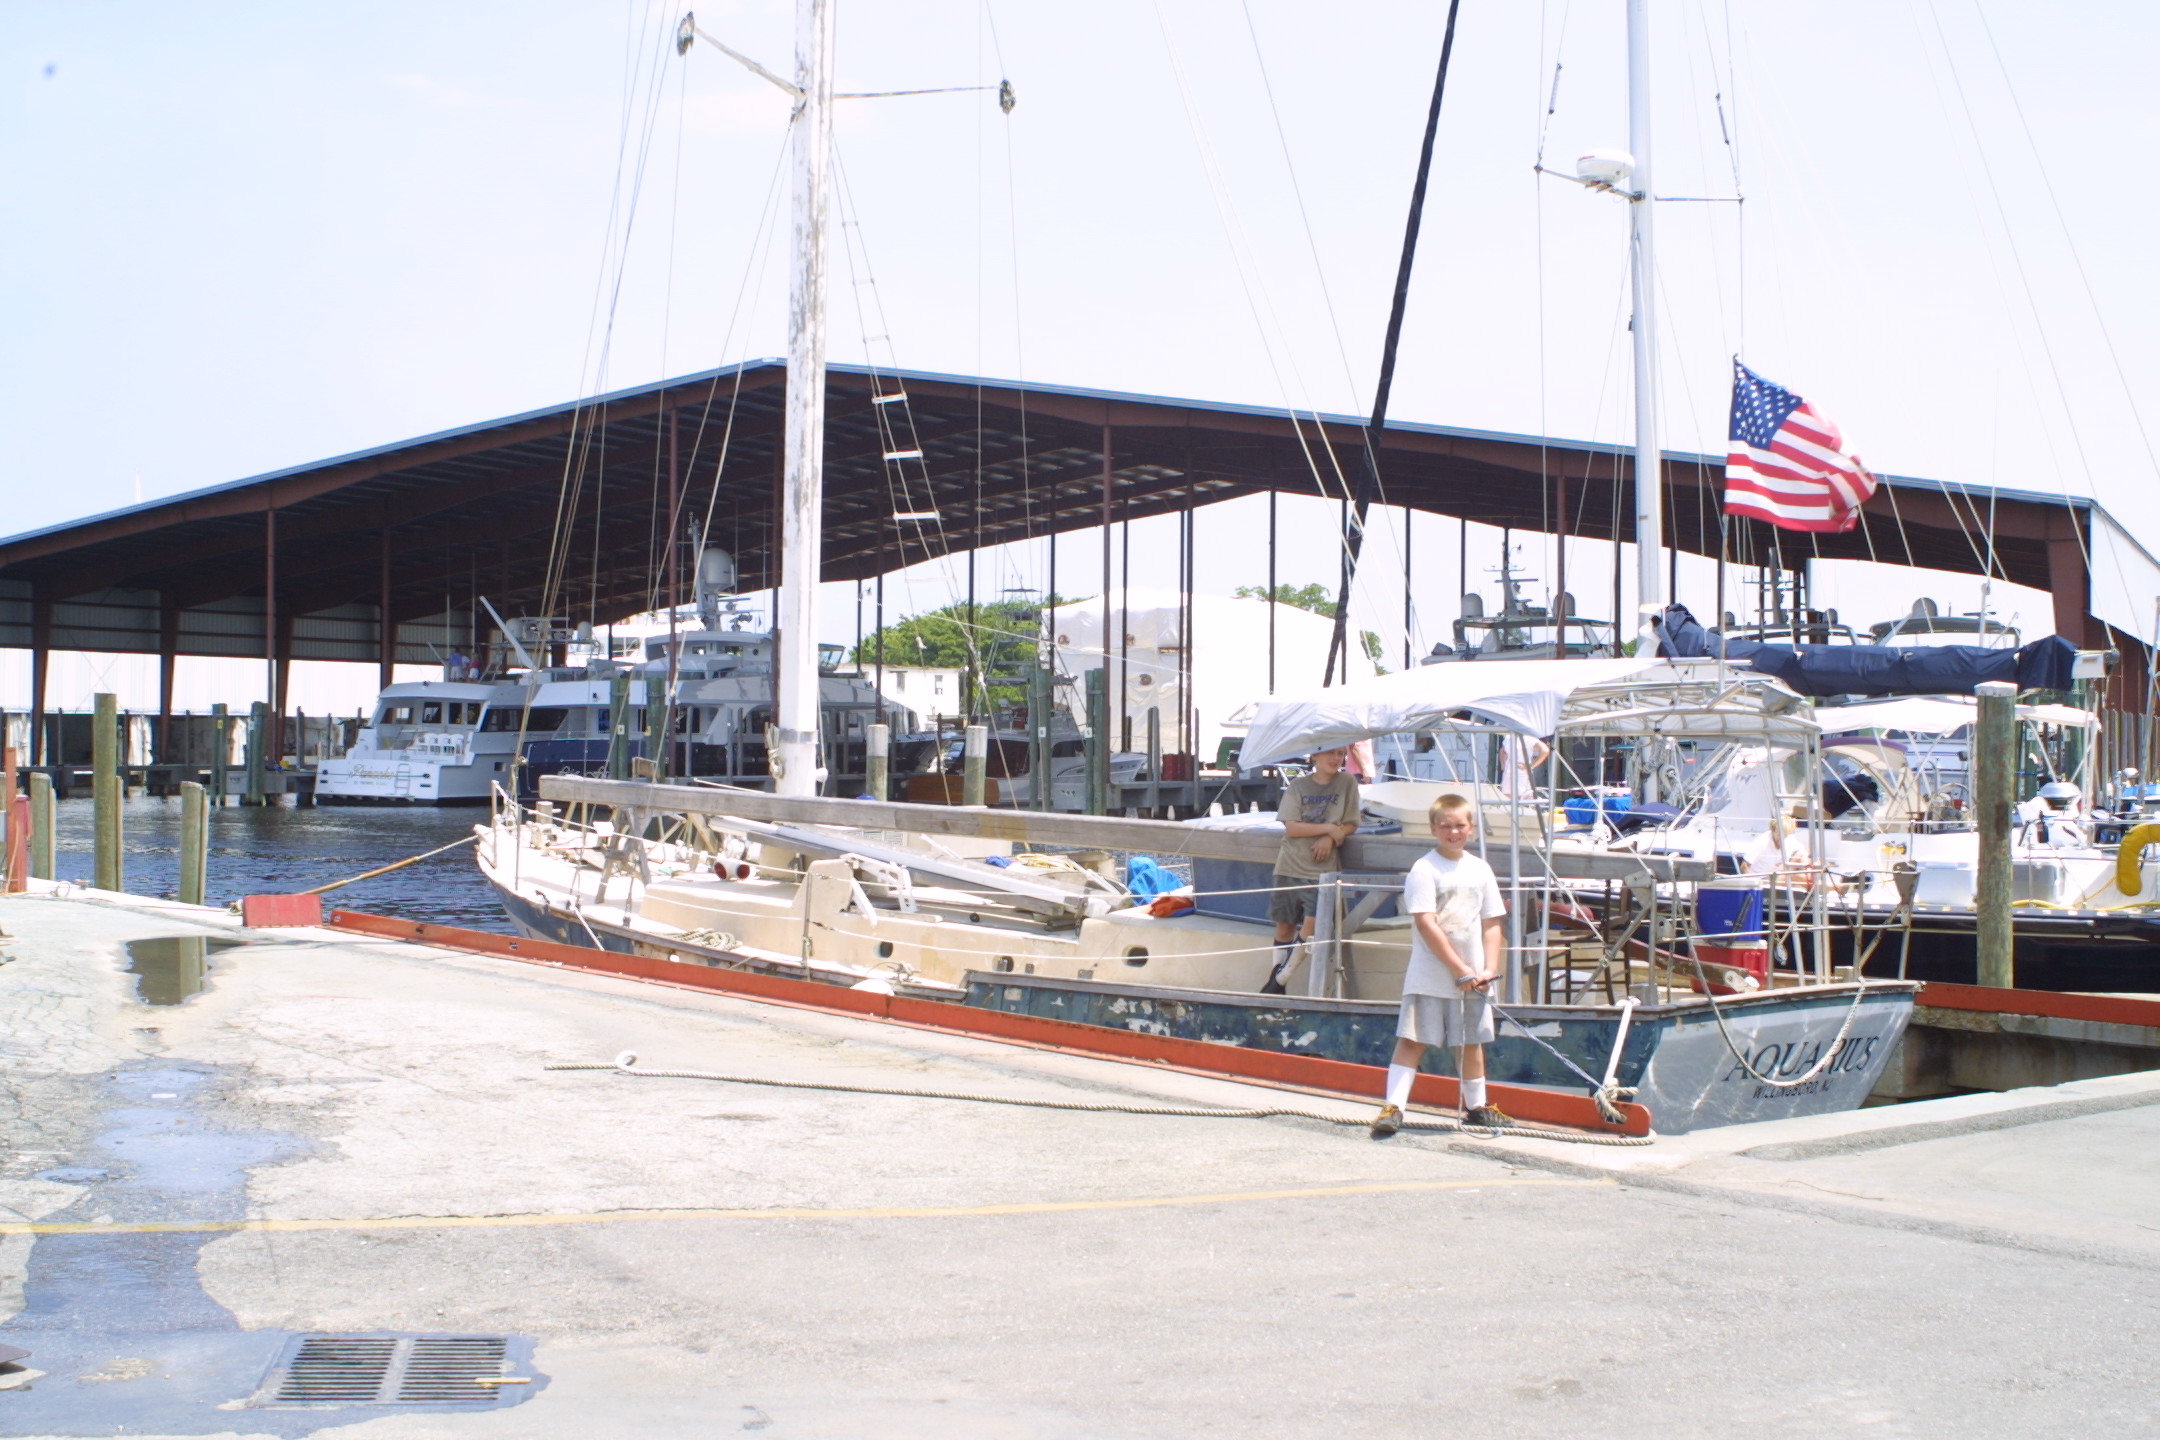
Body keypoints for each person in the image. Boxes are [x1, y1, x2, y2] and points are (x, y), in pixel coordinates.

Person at [1371, 792, 1510, 1136]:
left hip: (1474, 976)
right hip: (1431, 973)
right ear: (1433, 829)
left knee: (1471, 1042)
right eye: (1446, 826)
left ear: (1471, 827)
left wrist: (1488, 968)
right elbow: (1426, 923)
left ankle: (1477, 1107)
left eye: (1460, 825)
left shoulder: (1480, 869)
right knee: (1413, 1038)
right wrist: (1458, 969)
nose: (1453, 832)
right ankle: (1393, 1107)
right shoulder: (1424, 869)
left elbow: (1492, 923)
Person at [1263, 746, 1361, 995]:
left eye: (1340, 753)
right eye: (1329, 752)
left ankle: (1279, 981)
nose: (1335, 758)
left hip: (1322, 871)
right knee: (1285, 925)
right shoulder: (1298, 786)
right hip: (1289, 864)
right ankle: (1277, 985)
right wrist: (1329, 829)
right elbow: (1293, 828)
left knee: (1311, 927)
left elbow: (1351, 823)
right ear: (1314, 755)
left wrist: (1331, 838)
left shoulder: (1347, 782)